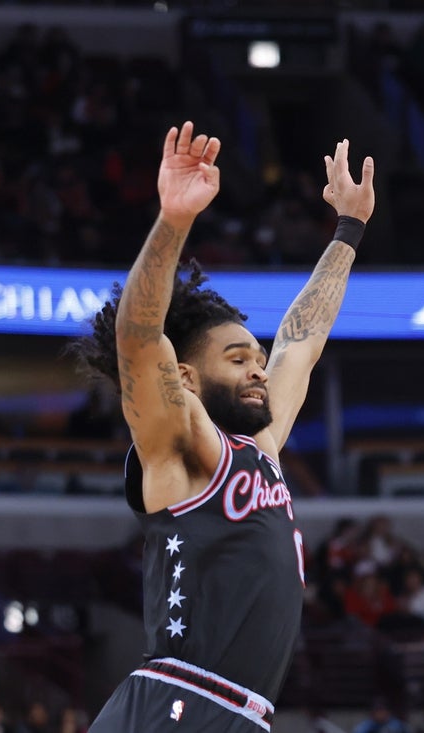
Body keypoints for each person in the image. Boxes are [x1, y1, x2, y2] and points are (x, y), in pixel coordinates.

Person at [69, 122, 375, 731]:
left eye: (257, 359)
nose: (259, 369)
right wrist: (174, 219)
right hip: (176, 701)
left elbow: (302, 340)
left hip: (240, 712)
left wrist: (349, 229)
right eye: (238, 360)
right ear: (184, 377)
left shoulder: (261, 445)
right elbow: (138, 338)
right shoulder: (181, 444)